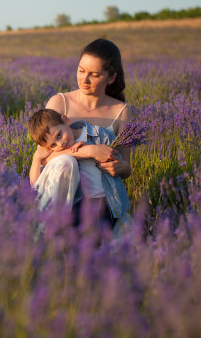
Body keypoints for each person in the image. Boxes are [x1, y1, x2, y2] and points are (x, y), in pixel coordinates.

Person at [32, 38, 133, 229]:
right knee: (65, 162)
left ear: (111, 78)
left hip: (100, 200)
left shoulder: (122, 112)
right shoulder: (59, 103)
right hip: (59, 198)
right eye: (81, 70)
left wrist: (120, 167)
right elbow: (44, 158)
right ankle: (48, 230)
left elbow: (127, 168)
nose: (84, 80)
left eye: (94, 75)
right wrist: (89, 151)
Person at [28, 108, 132, 230]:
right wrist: (36, 159)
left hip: (106, 201)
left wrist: (92, 149)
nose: (60, 144)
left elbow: (118, 160)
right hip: (78, 204)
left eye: (59, 135)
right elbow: (36, 184)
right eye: (53, 145)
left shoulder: (98, 134)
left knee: (98, 233)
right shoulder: (56, 154)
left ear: (65, 120)